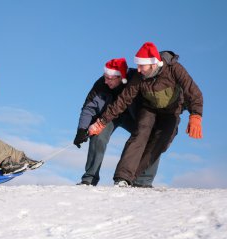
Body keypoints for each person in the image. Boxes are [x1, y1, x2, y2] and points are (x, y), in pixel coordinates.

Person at [88, 42, 203, 187]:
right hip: (149, 109)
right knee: (140, 135)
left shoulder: (175, 69)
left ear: (153, 64)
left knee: (161, 141)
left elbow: (193, 91)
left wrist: (196, 116)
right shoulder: (139, 77)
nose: (138, 69)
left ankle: (138, 180)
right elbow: (122, 100)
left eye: (142, 65)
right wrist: (102, 122)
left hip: (171, 112)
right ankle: (122, 178)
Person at [74, 58, 159, 187]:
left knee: (152, 137)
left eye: (110, 78)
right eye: (105, 76)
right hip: (110, 116)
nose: (106, 80)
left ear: (121, 77)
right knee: (99, 135)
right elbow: (88, 108)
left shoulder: (136, 79)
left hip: (134, 116)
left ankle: (143, 181)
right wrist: (81, 129)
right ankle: (90, 178)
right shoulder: (101, 85)